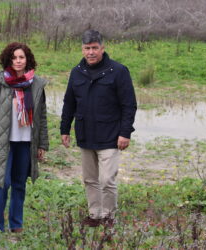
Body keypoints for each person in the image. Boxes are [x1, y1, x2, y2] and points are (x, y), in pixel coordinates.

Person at [60, 30, 137, 227]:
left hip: (110, 136)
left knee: (107, 180)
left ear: (102, 48)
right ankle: (94, 215)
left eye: (95, 48)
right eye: (87, 48)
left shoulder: (118, 71)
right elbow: (69, 103)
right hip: (85, 134)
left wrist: (125, 133)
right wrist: (65, 129)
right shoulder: (77, 72)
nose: (91, 52)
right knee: (89, 179)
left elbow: (129, 105)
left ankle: (109, 217)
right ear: (82, 49)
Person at [0, 42, 49, 233]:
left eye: (21, 57)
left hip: (26, 142)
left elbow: (42, 116)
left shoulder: (36, 84)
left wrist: (42, 144)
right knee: (1, 184)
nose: (18, 61)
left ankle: (16, 224)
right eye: (14, 58)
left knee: (19, 184)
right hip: (4, 143)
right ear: (8, 60)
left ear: (27, 59)